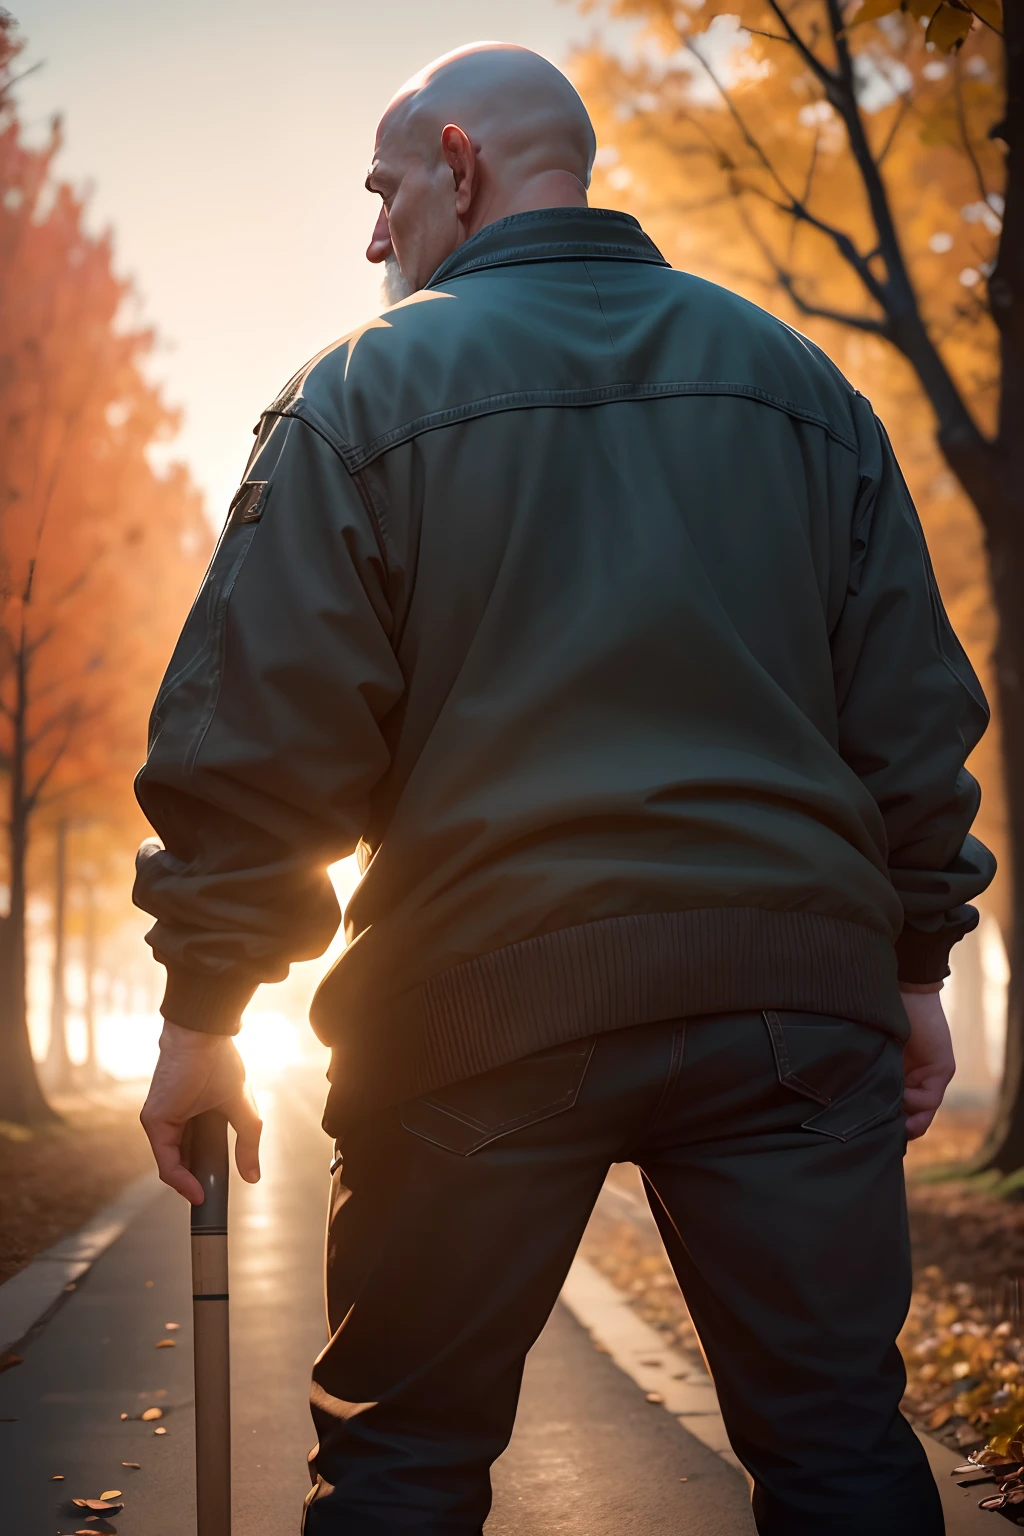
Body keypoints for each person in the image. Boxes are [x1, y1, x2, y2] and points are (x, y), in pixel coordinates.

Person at [135, 41, 994, 1536]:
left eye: (385, 190)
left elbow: (260, 733)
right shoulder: (805, 391)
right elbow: (908, 716)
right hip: (790, 997)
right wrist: (910, 965)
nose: (372, 236)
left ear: (457, 164)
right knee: (838, 1445)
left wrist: (206, 1007)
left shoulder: (355, 396)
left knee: (403, 1458)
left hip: (479, 1002)